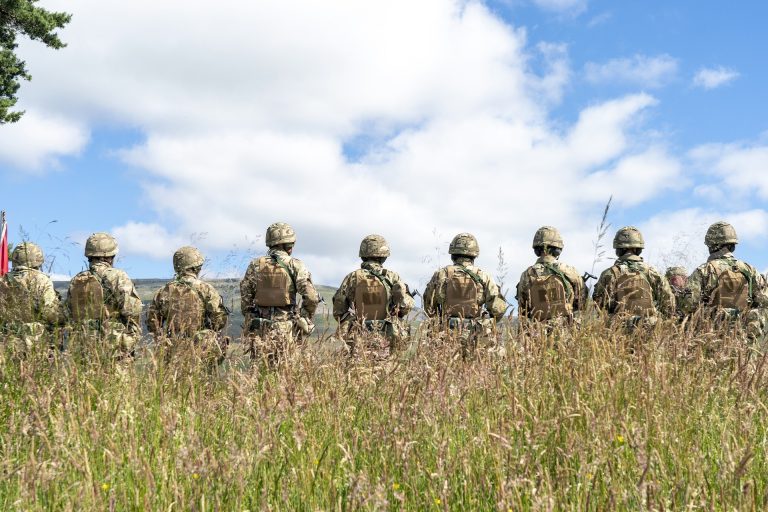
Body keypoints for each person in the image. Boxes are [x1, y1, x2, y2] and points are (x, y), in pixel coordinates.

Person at [240, 222, 319, 364]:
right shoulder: (295, 264)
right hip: (287, 328)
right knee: (286, 374)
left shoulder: (255, 264)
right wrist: (305, 316)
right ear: (288, 246)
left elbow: (245, 297)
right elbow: (311, 297)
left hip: (259, 329)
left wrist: (251, 316)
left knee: (259, 372)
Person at [423, 232, 508, 359]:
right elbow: (498, 309)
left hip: (445, 333)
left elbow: (428, 305)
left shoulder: (441, 274)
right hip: (476, 334)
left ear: (453, 254)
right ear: (474, 255)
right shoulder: (484, 276)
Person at [680, 221, 768, 341]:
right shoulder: (750, 270)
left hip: (712, 337)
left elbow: (687, 305)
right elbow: (764, 300)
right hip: (744, 338)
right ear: (733, 245)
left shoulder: (704, 271)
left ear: (711, 246)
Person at [332, 234, 415, 357]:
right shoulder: (392, 277)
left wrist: (354, 322)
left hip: (359, 337)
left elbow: (339, 310)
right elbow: (406, 308)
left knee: (359, 372)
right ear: (384, 257)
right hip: (387, 337)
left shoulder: (353, 278)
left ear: (363, 255)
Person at [147, 246, 229, 366]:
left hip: (172, 349)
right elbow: (219, 320)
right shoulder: (206, 289)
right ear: (197, 268)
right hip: (202, 348)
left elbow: (152, 322)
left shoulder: (163, 291)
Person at [65, 232, 143, 358]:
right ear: (111, 256)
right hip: (115, 347)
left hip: (85, 347)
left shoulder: (77, 280)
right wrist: (132, 337)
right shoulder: (118, 276)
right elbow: (133, 310)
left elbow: (68, 313)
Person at [593, 226, 675, 327]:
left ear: (618, 249)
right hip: (650, 329)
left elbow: (599, 306)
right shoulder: (653, 273)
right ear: (639, 248)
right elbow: (669, 305)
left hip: (617, 331)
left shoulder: (608, 274)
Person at [516, 226, 587, 327]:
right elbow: (582, 302)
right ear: (558, 249)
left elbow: (523, 308)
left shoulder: (527, 274)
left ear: (536, 249)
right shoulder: (569, 271)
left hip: (537, 332)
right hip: (567, 330)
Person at [0, 242, 62, 353]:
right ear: (37, 259)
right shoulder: (41, 279)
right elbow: (50, 313)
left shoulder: (2, 280)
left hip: (5, 341)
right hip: (34, 342)